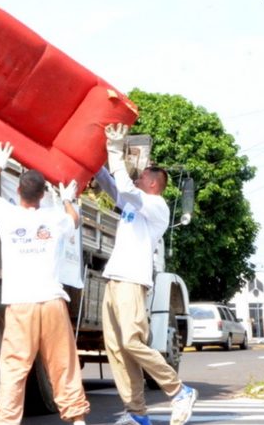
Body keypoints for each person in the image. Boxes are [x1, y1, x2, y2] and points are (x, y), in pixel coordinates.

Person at [0, 142, 90, 425]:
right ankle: (77, 419)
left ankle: (6, 422)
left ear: (18, 191)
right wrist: (66, 198)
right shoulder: (54, 219)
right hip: (52, 302)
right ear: (42, 196)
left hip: (21, 304)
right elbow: (74, 219)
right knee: (63, 363)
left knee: (15, 366)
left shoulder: (7, 215)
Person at [94, 123, 197, 425]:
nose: (138, 176)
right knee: (116, 349)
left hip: (132, 281)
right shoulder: (134, 204)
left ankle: (179, 390)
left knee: (132, 342)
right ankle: (136, 413)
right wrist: (96, 163)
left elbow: (124, 186)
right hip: (114, 279)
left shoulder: (157, 206)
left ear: (154, 184)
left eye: (144, 175)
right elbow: (115, 188)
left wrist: (115, 149)